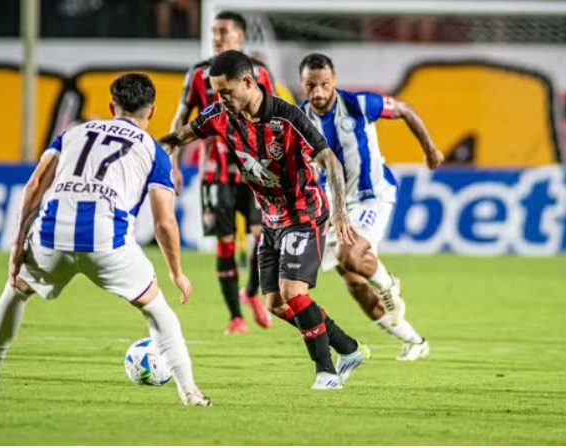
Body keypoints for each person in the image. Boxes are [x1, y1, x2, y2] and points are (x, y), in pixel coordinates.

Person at [0, 73, 211, 406]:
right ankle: (190, 392)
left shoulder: (72, 133)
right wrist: (177, 271)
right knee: (157, 309)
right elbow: (164, 221)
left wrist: (18, 242)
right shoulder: (153, 150)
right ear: (153, 110)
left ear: (110, 106)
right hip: (108, 242)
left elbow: (34, 186)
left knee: (15, 293)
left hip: (51, 235)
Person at [160, 50, 369, 390]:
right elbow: (179, 137)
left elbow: (329, 159)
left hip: (304, 214)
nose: (220, 99)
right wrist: (144, 150)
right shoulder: (220, 115)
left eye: (226, 91)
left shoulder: (287, 117)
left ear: (247, 82)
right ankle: (348, 347)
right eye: (216, 92)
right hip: (270, 219)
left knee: (292, 291)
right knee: (274, 303)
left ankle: (326, 372)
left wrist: (341, 212)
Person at [298, 53, 444, 360]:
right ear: (302, 85)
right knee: (354, 284)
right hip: (334, 203)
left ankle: (389, 286)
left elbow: (405, 110)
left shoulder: (360, 105)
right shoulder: (299, 118)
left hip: (373, 196)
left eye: (324, 84)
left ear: (334, 81)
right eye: (311, 86)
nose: (319, 93)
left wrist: (429, 149)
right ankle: (414, 340)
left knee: (349, 255)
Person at [170, 10, 276, 335]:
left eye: (225, 31)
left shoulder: (258, 73)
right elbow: (181, 119)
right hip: (215, 174)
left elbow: (273, 118)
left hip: (255, 171)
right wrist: (173, 161)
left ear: (240, 37)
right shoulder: (199, 73)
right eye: (215, 31)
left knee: (265, 238)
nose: (218, 36)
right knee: (225, 243)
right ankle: (235, 316)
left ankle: (251, 293)